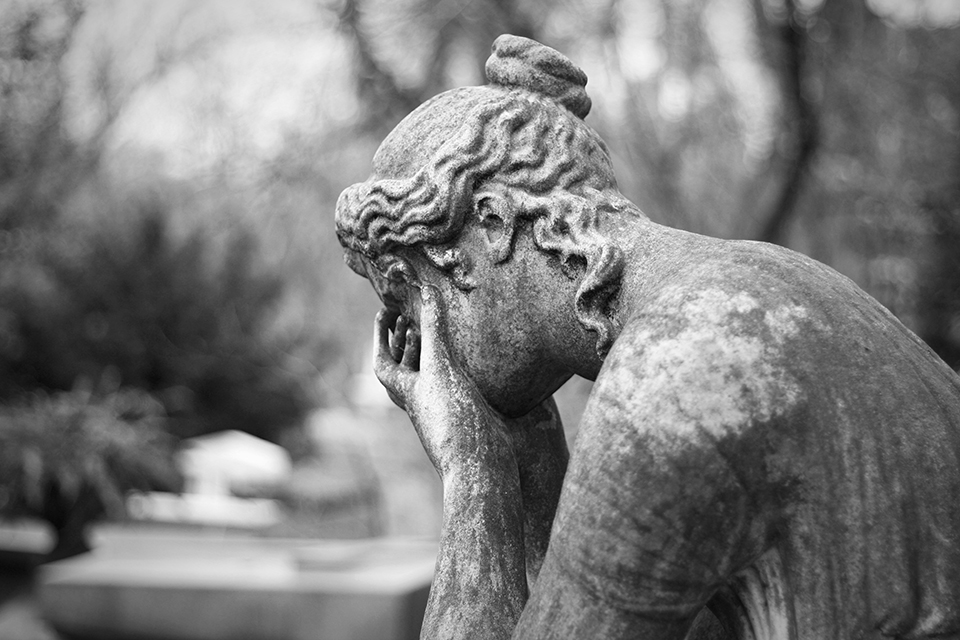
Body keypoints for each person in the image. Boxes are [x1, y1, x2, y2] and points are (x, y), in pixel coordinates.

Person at [335, 35, 960, 640]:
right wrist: (529, 452)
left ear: (493, 225)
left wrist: (474, 471)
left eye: (405, 296)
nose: (417, 344)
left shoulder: (675, 376)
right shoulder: (763, 283)